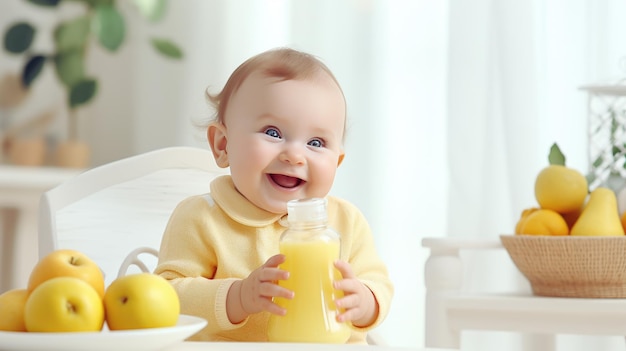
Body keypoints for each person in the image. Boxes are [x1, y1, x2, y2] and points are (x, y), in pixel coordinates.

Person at [154, 47, 393, 344]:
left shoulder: (346, 221)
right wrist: (238, 296)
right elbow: (167, 296)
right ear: (223, 145)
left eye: (316, 142)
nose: (294, 155)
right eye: (273, 133)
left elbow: (378, 283)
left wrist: (365, 301)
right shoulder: (201, 217)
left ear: (337, 162)